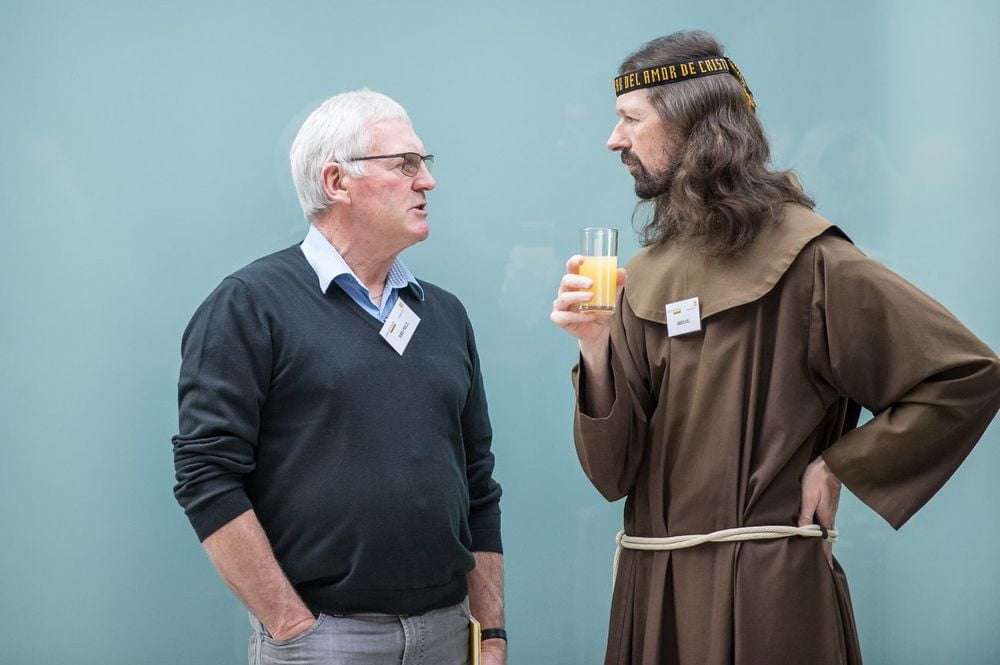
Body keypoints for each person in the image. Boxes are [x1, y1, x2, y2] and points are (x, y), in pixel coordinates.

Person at [550, 30, 1000, 665]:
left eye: (630, 118)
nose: (613, 139)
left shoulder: (810, 260)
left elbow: (964, 373)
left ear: (690, 122)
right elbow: (611, 474)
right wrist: (595, 348)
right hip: (656, 592)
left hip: (768, 598)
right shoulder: (643, 276)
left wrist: (842, 464)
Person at [173, 90, 506, 665]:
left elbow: (478, 481)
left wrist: (491, 630)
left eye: (424, 163)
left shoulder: (445, 314)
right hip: (322, 639)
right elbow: (205, 474)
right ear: (336, 181)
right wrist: (290, 625)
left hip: (450, 633)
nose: (427, 181)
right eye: (405, 163)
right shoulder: (250, 304)